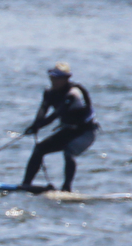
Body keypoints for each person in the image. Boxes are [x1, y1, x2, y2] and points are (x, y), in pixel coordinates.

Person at [20, 62, 99, 192]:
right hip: (68, 131)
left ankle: (66, 188)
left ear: (67, 78)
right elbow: (43, 110)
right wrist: (35, 125)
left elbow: (56, 115)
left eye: (58, 77)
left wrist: (39, 126)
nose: (54, 80)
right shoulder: (49, 92)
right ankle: (25, 184)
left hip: (85, 133)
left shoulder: (74, 94)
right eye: (52, 77)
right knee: (39, 149)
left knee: (69, 152)